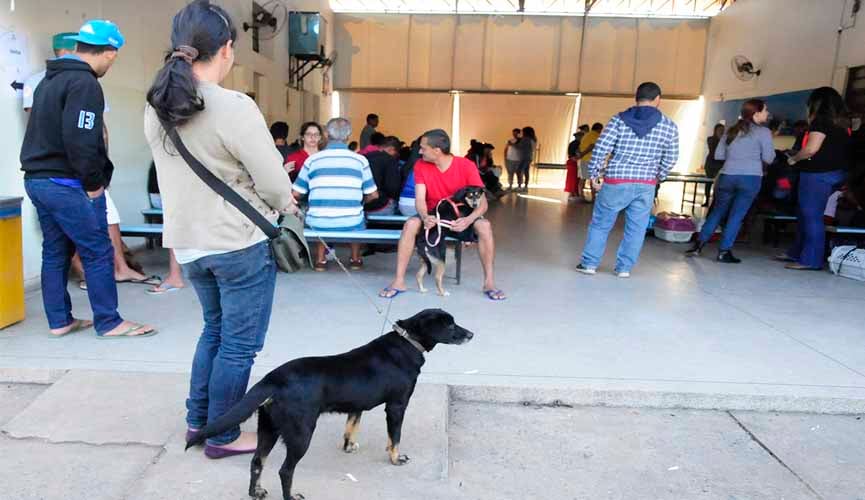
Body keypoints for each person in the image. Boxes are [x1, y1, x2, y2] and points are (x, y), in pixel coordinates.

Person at [145, 0, 295, 458]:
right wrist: (285, 204)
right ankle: (223, 437)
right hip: (236, 243)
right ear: (227, 48)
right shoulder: (233, 106)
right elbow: (274, 183)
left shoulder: (156, 106)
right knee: (239, 345)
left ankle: (199, 422)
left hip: (189, 245)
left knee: (214, 331)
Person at [20, 18, 157, 339]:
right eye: (113, 57)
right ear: (110, 52)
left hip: (38, 180)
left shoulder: (48, 81)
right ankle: (109, 322)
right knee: (97, 250)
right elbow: (81, 140)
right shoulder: (84, 84)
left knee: (55, 251)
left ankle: (59, 321)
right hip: (65, 184)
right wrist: (94, 185)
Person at [379, 129, 506, 301]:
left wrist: (468, 220)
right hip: (434, 214)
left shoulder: (466, 166)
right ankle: (399, 281)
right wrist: (425, 216)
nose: (419, 151)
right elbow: (420, 200)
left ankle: (489, 283)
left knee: (485, 226)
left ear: (437, 150)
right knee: (410, 224)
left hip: (461, 215)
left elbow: (483, 204)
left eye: (423, 148)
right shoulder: (420, 165)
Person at [576, 82, 679, 278]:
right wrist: (660, 176)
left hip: (616, 180)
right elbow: (671, 157)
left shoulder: (618, 120)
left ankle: (589, 264)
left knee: (601, 224)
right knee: (637, 228)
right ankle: (624, 268)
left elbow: (601, 148)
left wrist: (595, 174)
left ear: (636, 97)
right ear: (658, 99)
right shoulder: (668, 126)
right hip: (646, 184)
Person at [686, 100, 774, 263]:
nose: (767, 113)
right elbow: (769, 158)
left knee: (717, 211)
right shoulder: (764, 132)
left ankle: (698, 246)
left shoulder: (731, 131)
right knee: (736, 215)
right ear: (756, 114)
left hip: (727, 176)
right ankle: (724, 251)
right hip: (750, 178)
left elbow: (719, 155)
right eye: (765, 110)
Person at [780, 87, 853, 270]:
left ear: (816, 104)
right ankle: (796, 252)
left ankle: (810, 260)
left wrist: (794, 159)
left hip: (817, 174)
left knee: (812, 216)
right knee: (806, 214)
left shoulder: (820, 121)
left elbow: (811, 149)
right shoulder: (844, 125)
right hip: (837, 173)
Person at [293, 117, 378, 271]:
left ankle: (320, 260)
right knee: (357, 214)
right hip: (351, 221)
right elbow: (373, 194)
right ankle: (355, 258)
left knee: (319, 212)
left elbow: (296, 193)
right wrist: (360, 202)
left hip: (318, 221)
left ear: (326, 134)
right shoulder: (360, 160)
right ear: (348, 136)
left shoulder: (312, 160)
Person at [22, 32, 78, 112]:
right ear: (64, 52)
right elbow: (34, 116)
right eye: (79, 51)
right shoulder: (34, 81)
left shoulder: (84, 79)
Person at [364, 135, 402, 214]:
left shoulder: (364, 157)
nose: (395, 155)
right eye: (396, 152)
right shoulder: (390, 160)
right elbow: (392, 187)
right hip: (381, 204)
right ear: (391, 149)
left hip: (363, 204)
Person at [578, 123, 604, 201]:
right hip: (592, 160)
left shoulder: (586, 135)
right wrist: (583, 153)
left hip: (584, 160)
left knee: (583, 178)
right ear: (599, 129)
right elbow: (592, 146)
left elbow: (580, 147)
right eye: (601, 130)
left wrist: (581, 154)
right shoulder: (595, 135)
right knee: (594, 179)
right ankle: (594, 197)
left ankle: (581, 196)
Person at [702, 123, 726, 206]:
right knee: (708, 183)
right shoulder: (710, 139)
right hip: (710, 165)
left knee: (718, 184)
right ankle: (707, 200)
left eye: (723, 130)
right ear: (715, 130)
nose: (721, 132)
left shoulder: (725, 140)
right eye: (720, 130)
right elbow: (713, 150)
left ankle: (715, 202)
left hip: (720, 165)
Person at [565, 130, 585, 202]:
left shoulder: (572, 143)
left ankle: (572, 193)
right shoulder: (578, 143)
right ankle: (574, 193)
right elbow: (577, 153)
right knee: (575, 179)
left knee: (571, 179)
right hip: (574, 162)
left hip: (571, 161)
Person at [514, 126, 537, 193]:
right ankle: (526, 187)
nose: (521, 133)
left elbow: (519, 147)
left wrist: (513, 144)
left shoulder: (525, 139)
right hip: (529, 157)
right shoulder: (533, 139)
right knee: (526, 171)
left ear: (526, 132)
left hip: (524, 157)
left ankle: (519, 186)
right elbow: (532, 148)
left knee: (519, 170)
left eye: (523, 131)